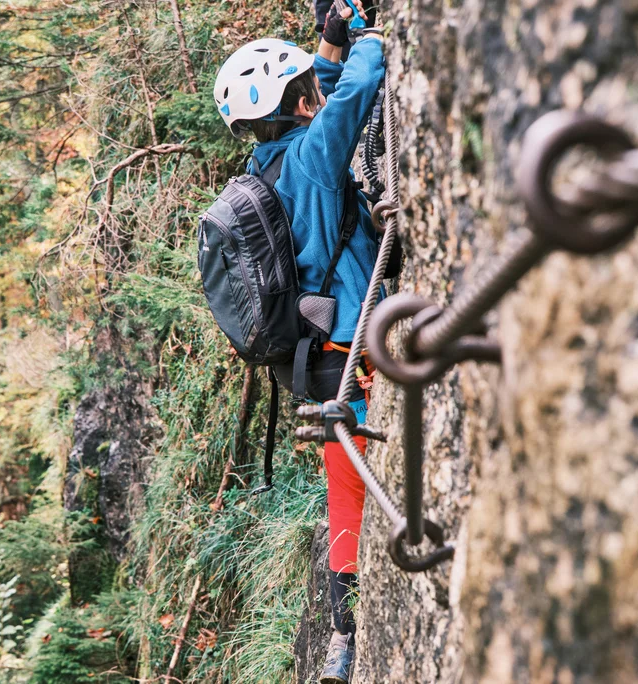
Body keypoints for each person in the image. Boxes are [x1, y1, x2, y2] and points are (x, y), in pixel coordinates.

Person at [213, 4, 383, 682]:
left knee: (345, 491)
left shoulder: (263, 174)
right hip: (355, 355)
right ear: (301, 101)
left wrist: (328, 44)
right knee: (371, 478)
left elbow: (325, 99)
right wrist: (367, 35)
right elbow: (357, 94)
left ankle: (344, 632)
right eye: (309, 85)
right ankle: (356, 623)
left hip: (311, 362)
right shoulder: (313, 158)